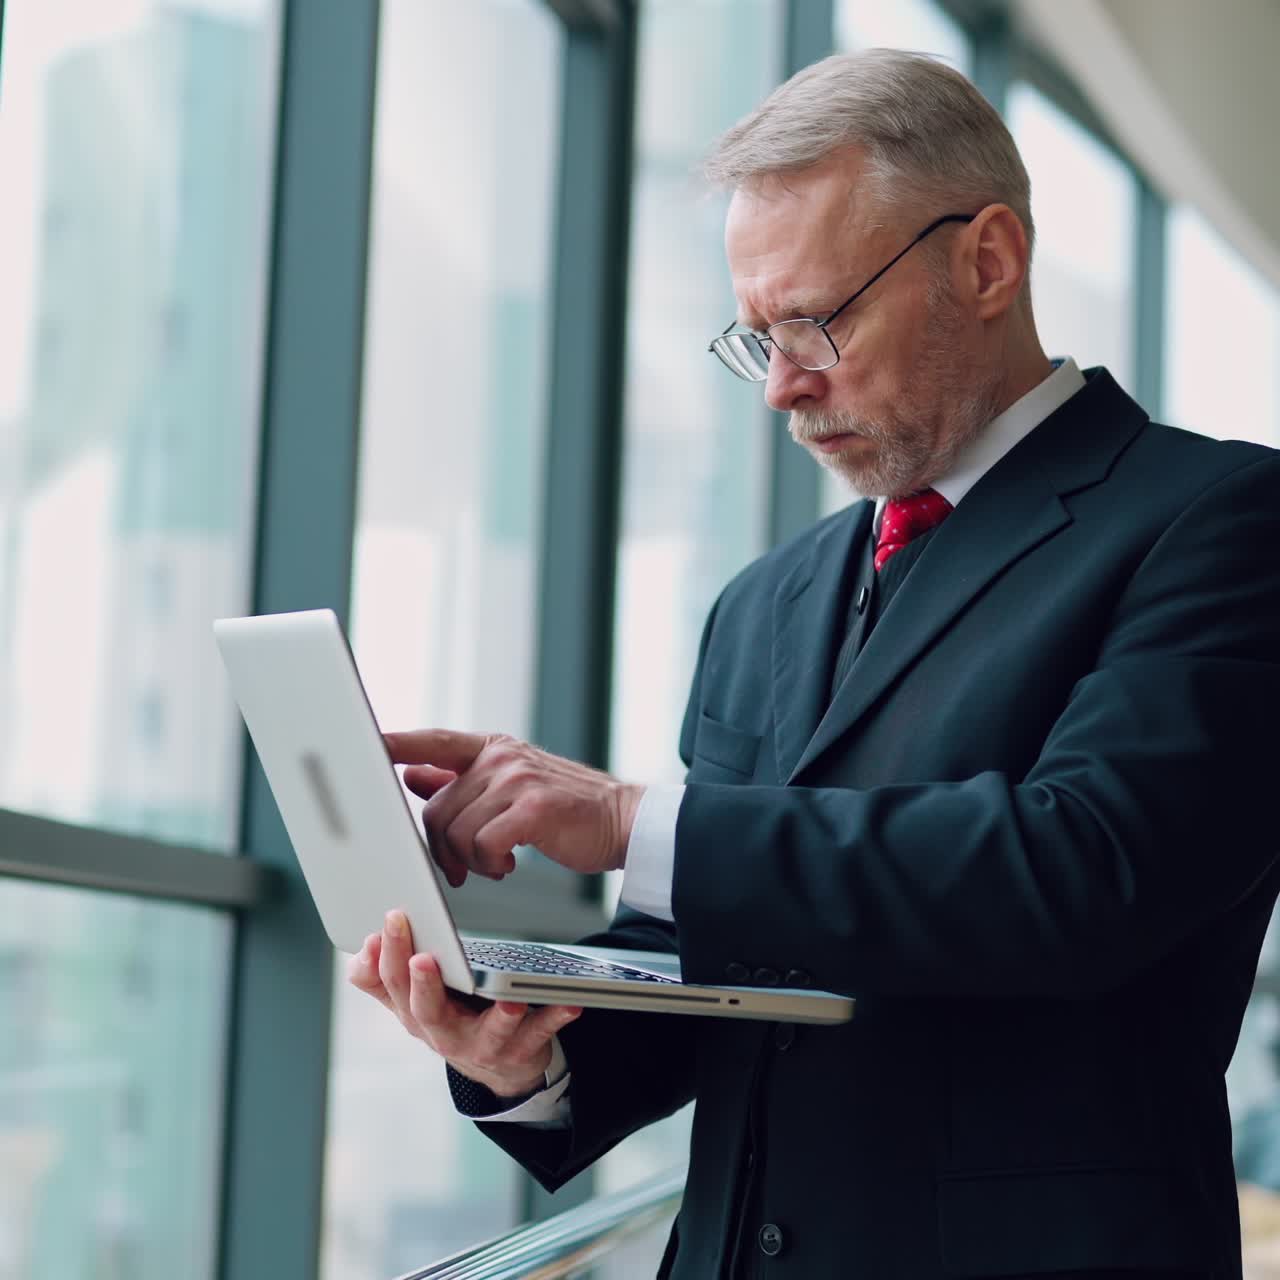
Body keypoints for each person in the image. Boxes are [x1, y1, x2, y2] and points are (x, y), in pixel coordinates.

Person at [348, 49, 1280, 1279]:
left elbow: (1078, 870)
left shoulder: (1218, 518)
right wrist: (529, 1053)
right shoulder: (763, 601)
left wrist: (630, 816)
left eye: (814, 321)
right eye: (754, 337)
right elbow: (714, 958)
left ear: (986, 261)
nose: (783, 384)